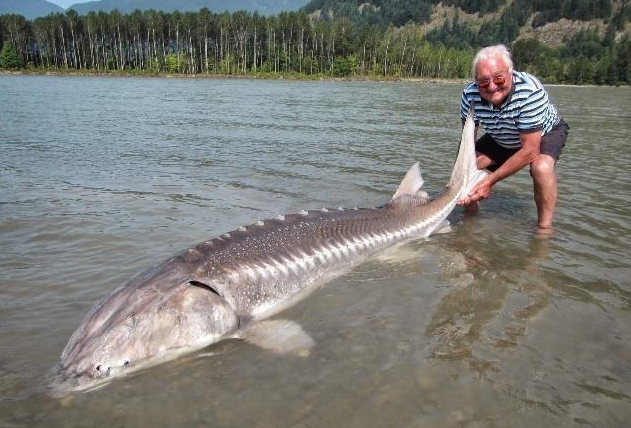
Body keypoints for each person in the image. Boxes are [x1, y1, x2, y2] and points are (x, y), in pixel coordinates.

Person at [458, 44, 569, 231]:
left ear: (510, 72)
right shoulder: (470, 95)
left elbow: (529, 151)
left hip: (543, 134)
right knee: (466, 171)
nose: (492, 86)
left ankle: (544, 229)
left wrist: (489, 181)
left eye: (498, 78)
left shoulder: (529, 91)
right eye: (484, 82)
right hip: (502, 135)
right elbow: (466, 143)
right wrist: (459, 174)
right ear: (476, 81)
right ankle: (469, 223)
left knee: (540, 168)